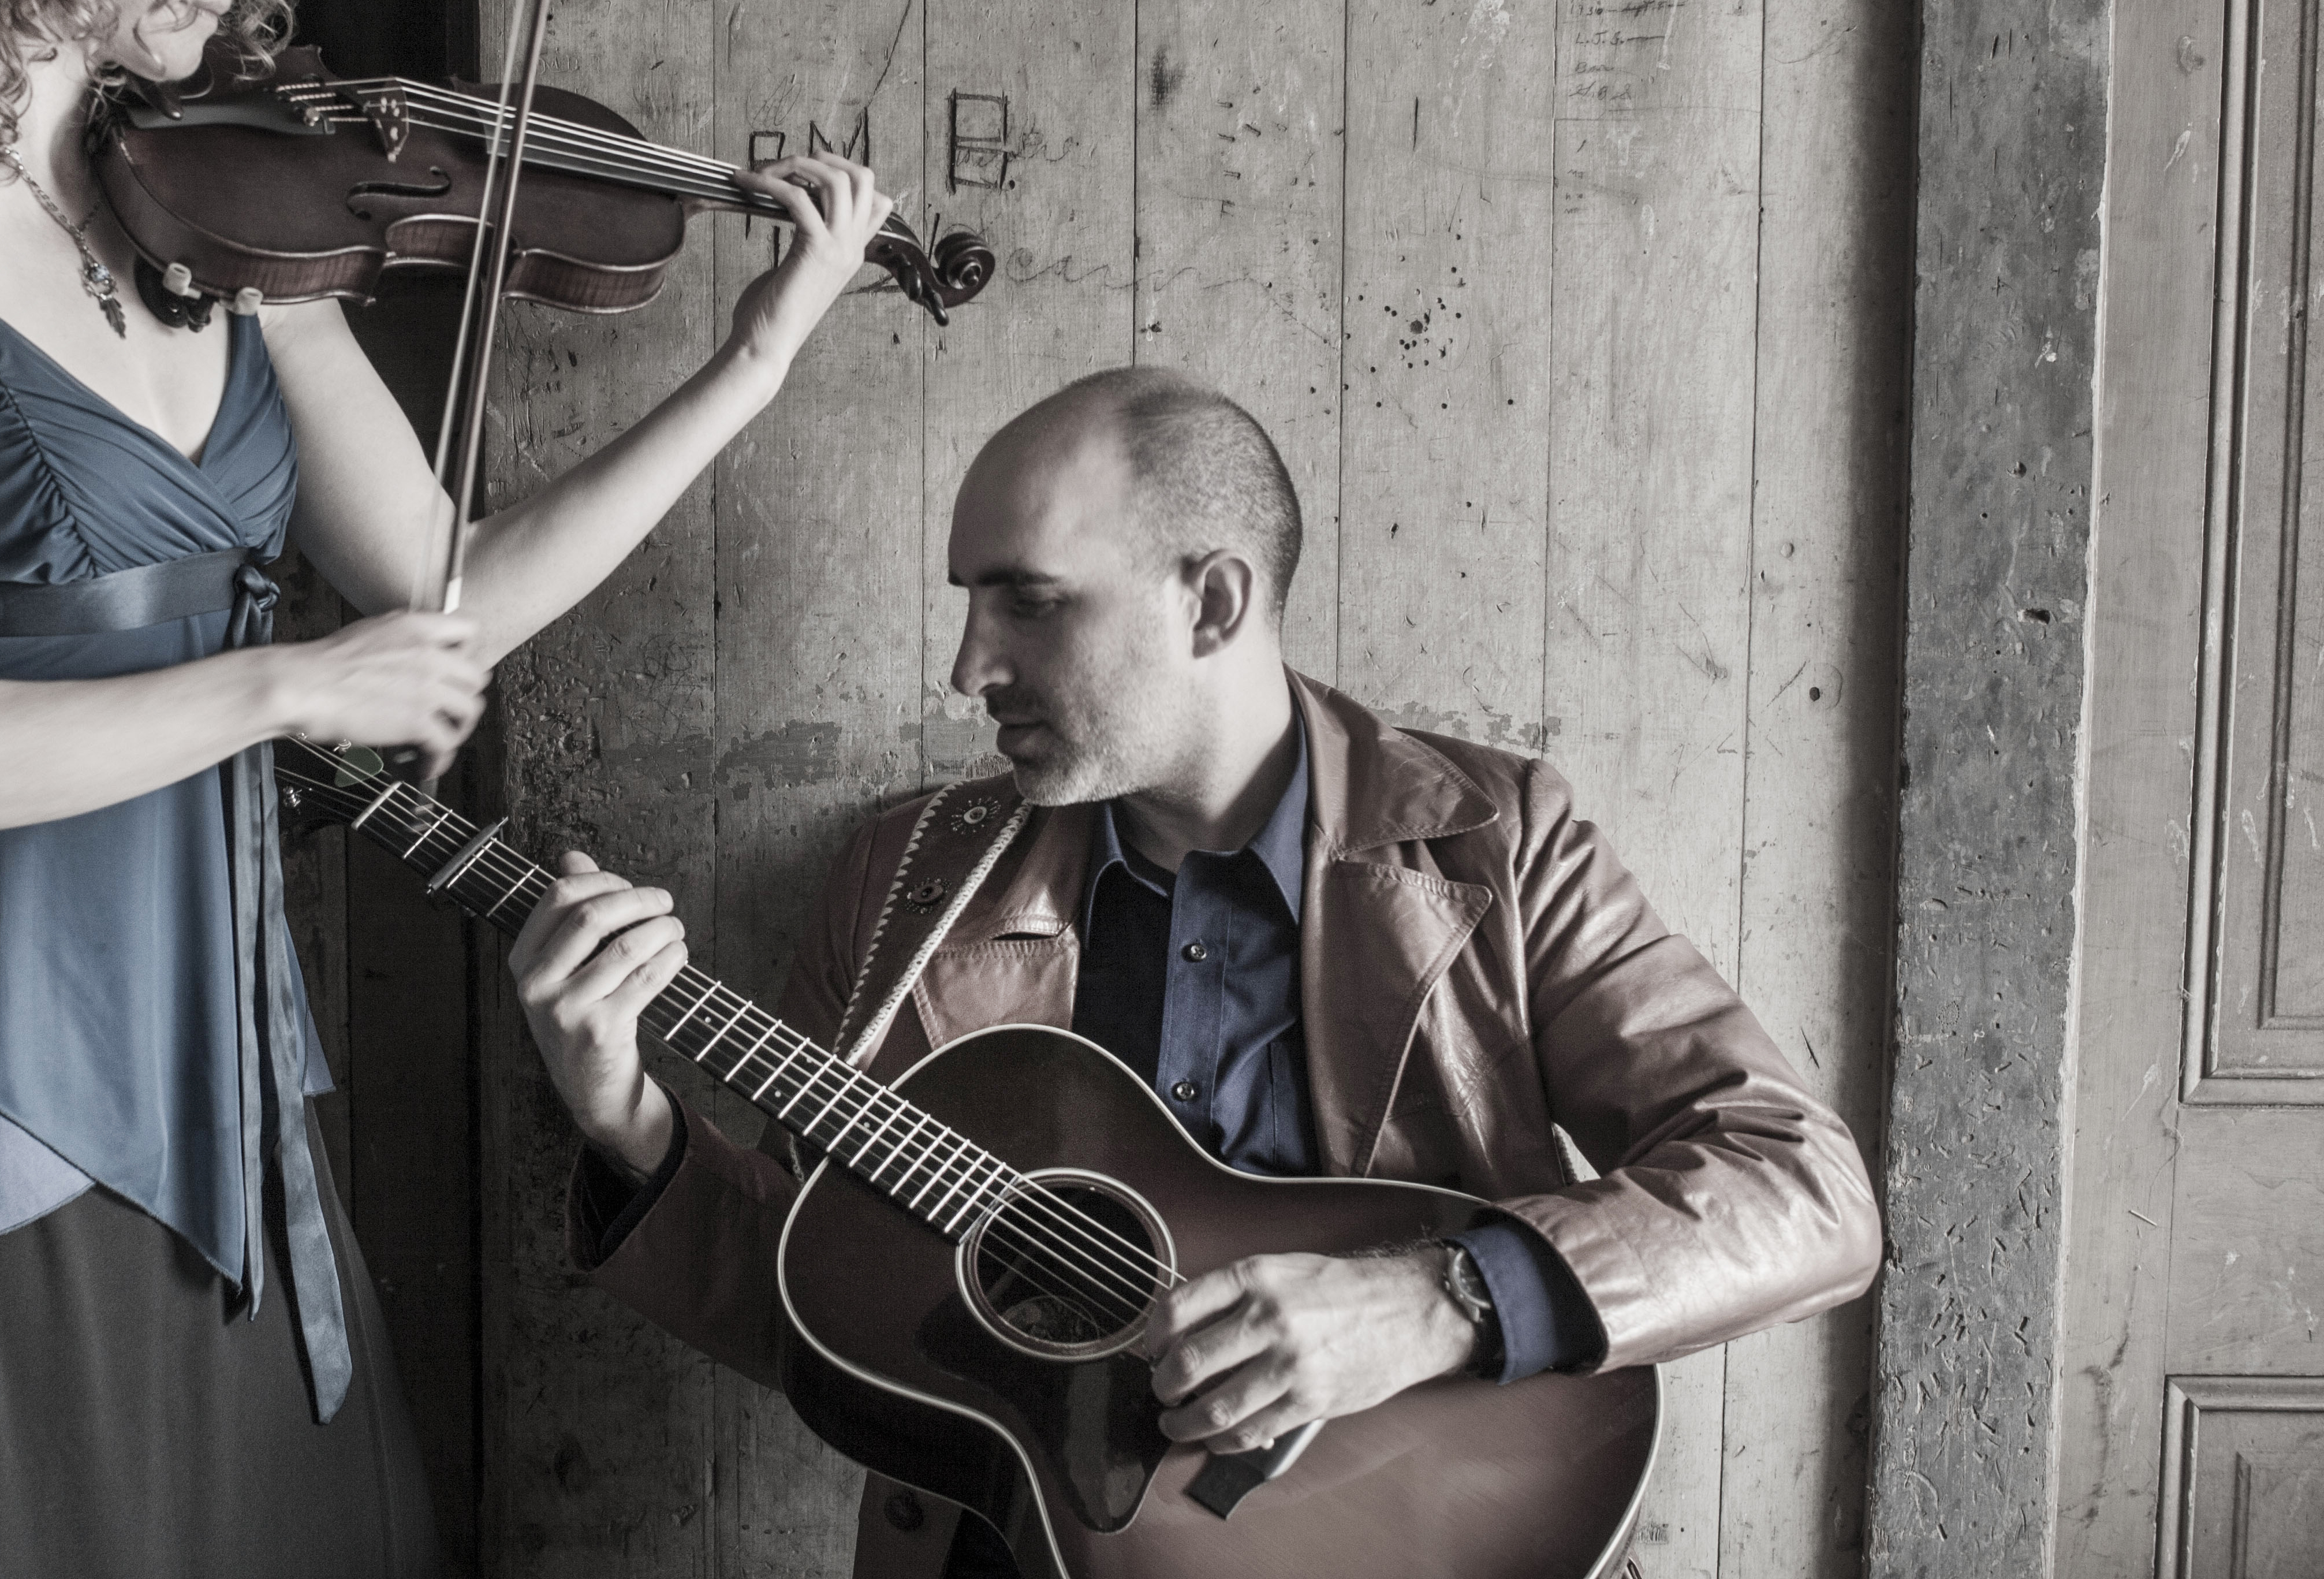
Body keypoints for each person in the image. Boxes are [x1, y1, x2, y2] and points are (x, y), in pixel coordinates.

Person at [0, 0, 892, 1578]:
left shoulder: (206, 202)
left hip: (216, 1027)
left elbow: (455, 587)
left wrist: (752, 360)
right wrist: (283, 692)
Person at [509, 366, 1883, 1578]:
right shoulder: (904, 884)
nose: (968, 667)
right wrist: (627, 1122)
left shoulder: (1496, 847)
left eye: (1031, 606)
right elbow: (812, 1311)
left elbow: (1803, 1188)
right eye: (969, 607)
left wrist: (1435, 1301)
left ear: (1213, 601)